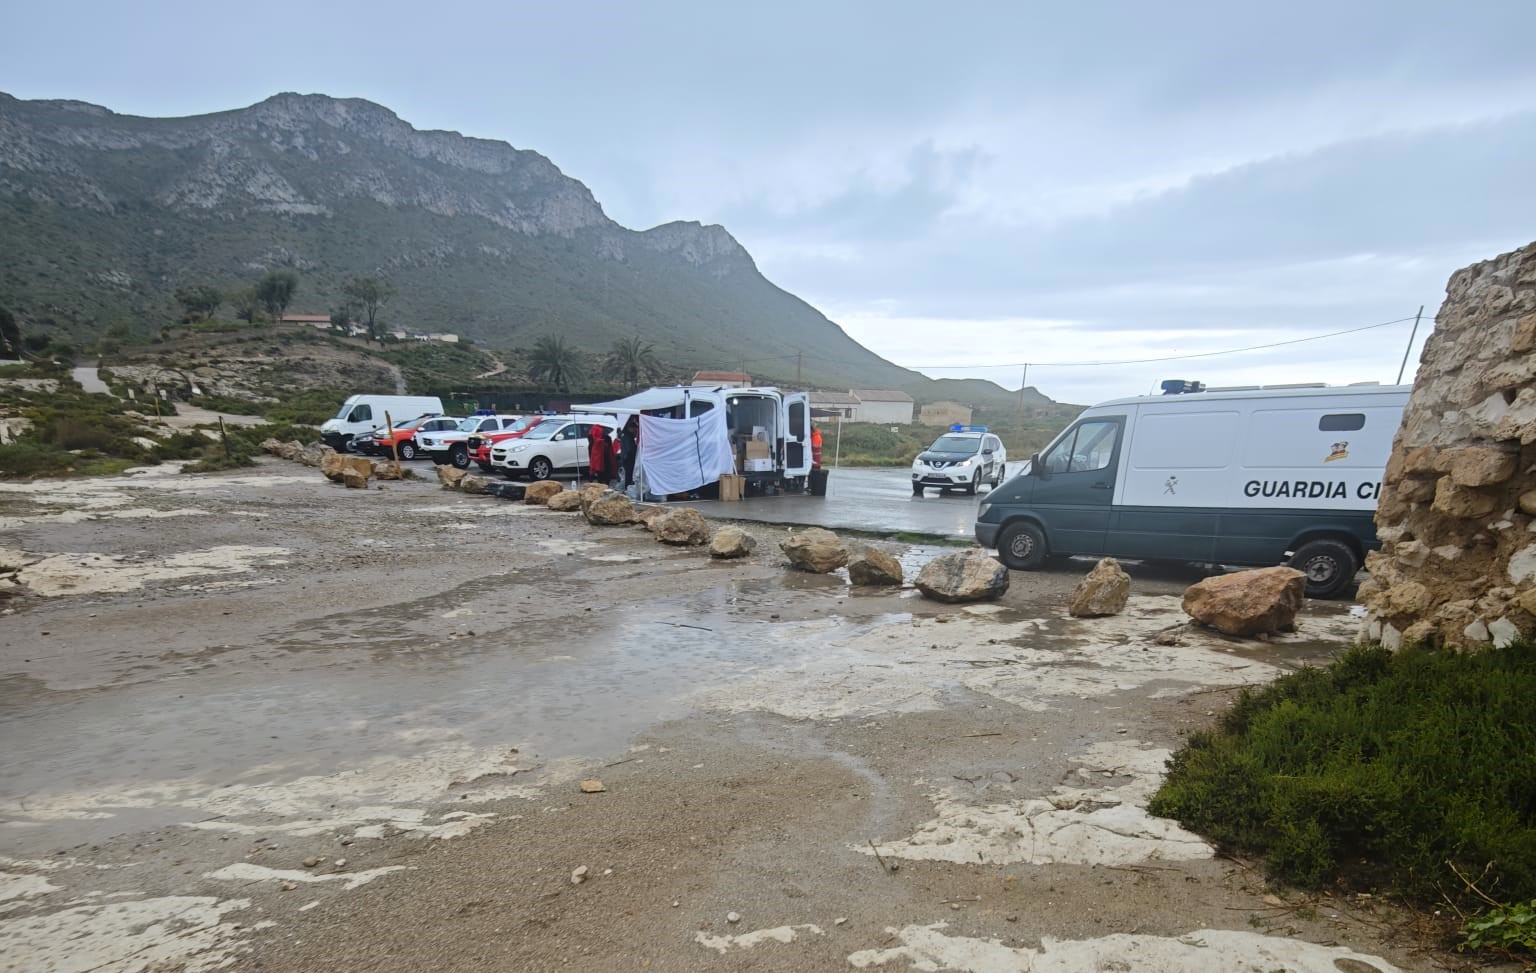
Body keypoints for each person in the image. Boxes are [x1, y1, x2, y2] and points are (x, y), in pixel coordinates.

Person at [618, 416, 639, 489]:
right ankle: (627, 488)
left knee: (628, 475)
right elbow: (630, 449)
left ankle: (627, 487)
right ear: (630, 428)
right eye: (635, 428)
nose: (636, 430)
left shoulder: (627, 436)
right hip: (628, 459)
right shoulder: (628, 437)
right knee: (628, 475)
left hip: (626, 458)